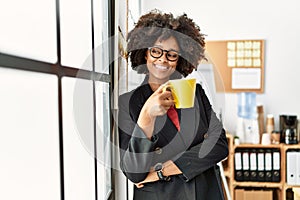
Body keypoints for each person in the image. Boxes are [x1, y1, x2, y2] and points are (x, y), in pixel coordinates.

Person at [118, 10, 228, 200]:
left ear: (180, 60)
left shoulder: (196, 93)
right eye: (155, 51)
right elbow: (134, 173)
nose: (162, 59)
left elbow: (219, 145)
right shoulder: (129, 103)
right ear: (145, 53)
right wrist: (147, 115)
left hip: (205, 193)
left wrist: (160, 171)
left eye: (172, 54)